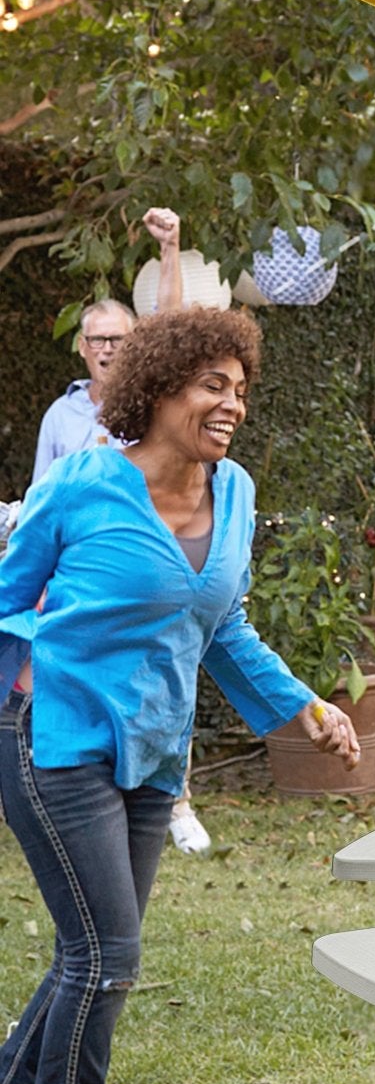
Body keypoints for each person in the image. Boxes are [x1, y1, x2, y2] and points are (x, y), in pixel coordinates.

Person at [0, 308, 359, 1084]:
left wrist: (308, 710)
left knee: (88, 957)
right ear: (158, 390)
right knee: (105, 957)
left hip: (156, 754)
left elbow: (223, 627)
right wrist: (27, 665)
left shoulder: (232, 491)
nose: (231, 404)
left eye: (240, 388)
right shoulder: (81, 485)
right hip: (57, 739)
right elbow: (6, 599)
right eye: (212, 385)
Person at [32, 208, 214, 857]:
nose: (107, 347)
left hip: (152, 567)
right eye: (96, 339)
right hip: (86, 577)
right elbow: (39, 506)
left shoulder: (154, 402)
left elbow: (174, 329)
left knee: (167, 675)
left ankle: (176, 800)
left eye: (118, 338)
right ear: (82, 347)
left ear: (135, 344)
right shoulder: (62, 415)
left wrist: (170, 250)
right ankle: (79, 797)